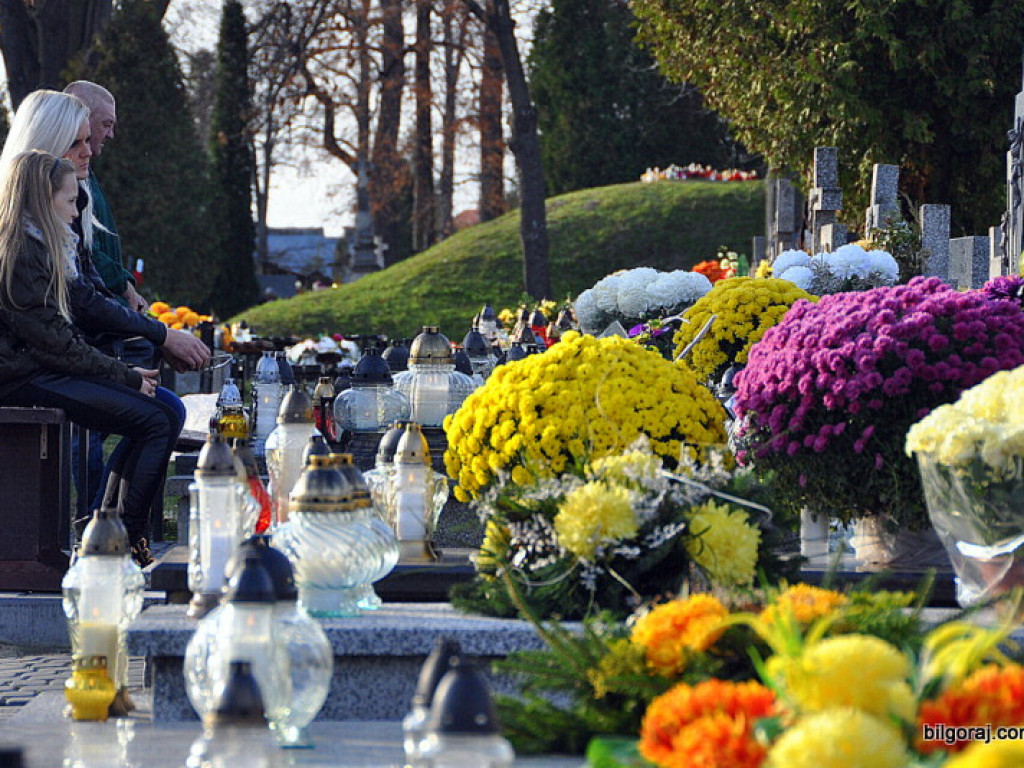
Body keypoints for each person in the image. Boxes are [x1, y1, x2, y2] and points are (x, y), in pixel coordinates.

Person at [0, 151, 177, 566]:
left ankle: (108, 537)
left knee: (163, 408)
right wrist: (126, 377)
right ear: (43, 200)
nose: (76, 212)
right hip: (19, 377)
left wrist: (124, 374)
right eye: (69, 200)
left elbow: (64, 336)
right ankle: (121, 548)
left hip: (40, 366)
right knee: (154, 418)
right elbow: (54, 345)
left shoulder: (48, 244)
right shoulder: (22, 253)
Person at [62, 81, 145, 313]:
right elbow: (85, 253)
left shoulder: (86, 173)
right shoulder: (65, 178)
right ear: (81, 117)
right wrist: (124, 289)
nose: (111, 135)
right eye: (106, 124)